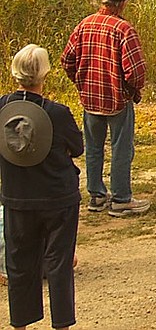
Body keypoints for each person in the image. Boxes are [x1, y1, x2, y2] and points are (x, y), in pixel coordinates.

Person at [0, 45, 83, 330]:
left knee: (19, 264)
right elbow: (77, 147)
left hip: (17, 196)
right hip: (58, 197)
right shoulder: (57, 113)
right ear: (44, 74)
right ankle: (62, 325)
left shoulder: (2, 108)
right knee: (59, 263)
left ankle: (20, 325)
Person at [61, 0, 150, 217]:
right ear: (122, 3)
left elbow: (67, 60)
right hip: (117, 98)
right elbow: (135, 71)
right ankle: (121, 198)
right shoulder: (123, 29)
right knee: (121, 149)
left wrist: (80, 82)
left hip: (90, 98)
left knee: (93, 148)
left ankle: (96, 196)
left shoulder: (84, 24)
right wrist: (133, 91)